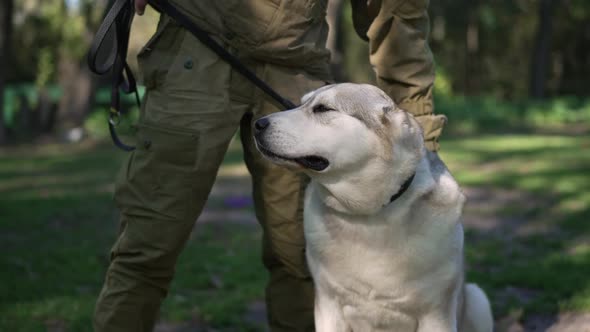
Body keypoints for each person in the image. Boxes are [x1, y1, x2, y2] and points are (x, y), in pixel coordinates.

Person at [93, 0, 447, 331]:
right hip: (195, 48)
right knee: (147, 248)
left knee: (302, 255)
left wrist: (416, 134)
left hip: (296, 68)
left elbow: (396, 14)